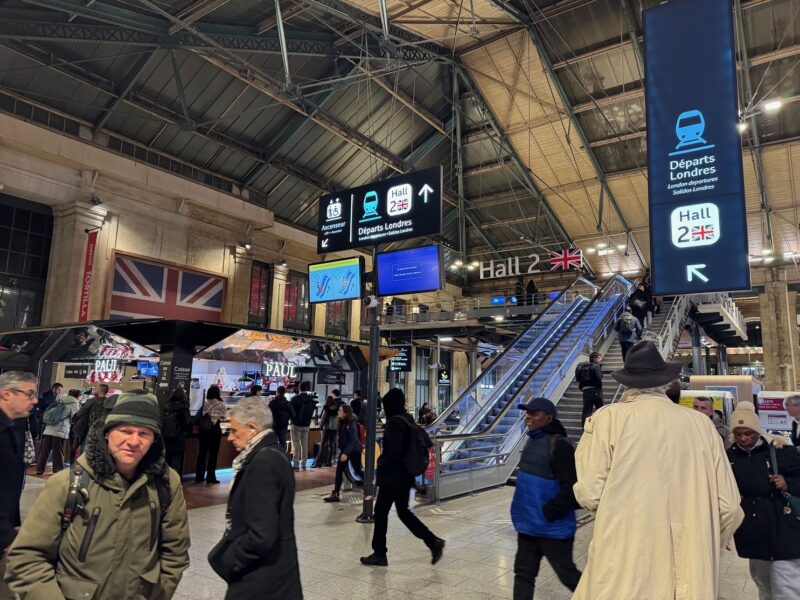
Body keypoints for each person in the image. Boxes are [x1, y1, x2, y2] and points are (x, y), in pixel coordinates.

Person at [572, 341, 743, 599]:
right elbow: (729, 506)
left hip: (626, 563)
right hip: (691, 572)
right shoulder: (702, 425)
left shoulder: (607, 419)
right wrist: (706, 538)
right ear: (666, 381)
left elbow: (589, 493)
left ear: (629, 381)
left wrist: (621, 514)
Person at [6, 392, 190, 599]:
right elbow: (28, 557)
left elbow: (175, 553)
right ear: (107, 433)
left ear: (155, 440)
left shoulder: (166, 483)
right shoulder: (67, 483)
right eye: (125, 431)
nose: (133, 441)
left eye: (144, 433)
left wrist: (157, 594)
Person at [208, 397, 302, 600]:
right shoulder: (275, 453)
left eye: (234, 430)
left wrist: (230, 560)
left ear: (252, 428)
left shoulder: (263, 462)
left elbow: (261, 535)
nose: (231, 438)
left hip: (261, 580)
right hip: (277, 575)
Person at [360, 388, 444, 567]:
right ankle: (432, 541)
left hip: (393, 476)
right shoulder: (408, 419)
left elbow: (395, 451)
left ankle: (379, 553)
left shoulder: (394, 423)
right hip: (405, 476)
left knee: (381, 512)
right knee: (403, 512)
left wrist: (381, 461)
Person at [727, 401, 800, 599]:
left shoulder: (780, 450)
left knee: (786, 585)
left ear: (757, 431)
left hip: (782, 526)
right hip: (753, 529)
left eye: (748, 433)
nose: (743, 438)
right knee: (763, 583)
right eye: (739, 433)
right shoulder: (729, 457)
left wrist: (788, 484)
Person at [511, 397, 581, 599]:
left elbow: (572, 487)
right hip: (528, 526)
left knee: (567, 574)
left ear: (548, 418)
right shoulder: (532, 440)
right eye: (527, 413)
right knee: (523, 575)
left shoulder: (559, 446)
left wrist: (549, 512)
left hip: (553, 529)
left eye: (534, 413)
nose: (528, 417)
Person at [0, 372, 37, 600]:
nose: (34, 400)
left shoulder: (12, 426)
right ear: (6, 393)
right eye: (29, 394)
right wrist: (6, 538)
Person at [36, 388, 80, 475]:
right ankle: (58, 472)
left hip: (48, 429)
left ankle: (39, 469)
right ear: (78, 396)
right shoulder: (74, 404)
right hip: (60, 431)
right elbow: (74, 418)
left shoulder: (60, 399)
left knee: (44, 452)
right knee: (58, 453)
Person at [324, 404, 363, 502]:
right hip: (347, 449)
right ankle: (336, 494)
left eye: (340, 410)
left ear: (345, 413)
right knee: (340, 470)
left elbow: (353, 440)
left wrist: (345, 453)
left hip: (353, 450)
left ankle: (370, 485)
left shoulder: (351, 423)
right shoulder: (342, 422)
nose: (338, 412)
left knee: (357, 470)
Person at [69, 383, 109, 459]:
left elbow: (80, 413)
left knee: (84, 448)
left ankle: (83, 466)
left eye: (96, 389)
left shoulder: (92, 401)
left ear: (100, 391)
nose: (95, 390)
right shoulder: (108, 402)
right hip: (103, 430)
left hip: (91, 428)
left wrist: (74, 419)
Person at [196, 385, 226, 484]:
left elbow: (201, 414)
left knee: (202, 453)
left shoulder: (205, 403)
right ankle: (210, 477)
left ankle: (199, 476)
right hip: (215, 430)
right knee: (213, 454)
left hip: (204, 430)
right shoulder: (221, 404)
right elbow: (223, 417)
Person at [163, 388, 191, 476]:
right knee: (176, 463)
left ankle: (164, 483)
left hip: (166, 439)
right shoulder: (184, 408)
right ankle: (175, 484)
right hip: (178, 439)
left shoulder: (167, 406)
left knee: (165, 462)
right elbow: (187, 423)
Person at [290, 382, 317, 471]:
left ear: (299, 388)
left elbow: (291, 411)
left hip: (296, 424)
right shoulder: (311, 399)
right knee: (304, 444)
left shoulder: (294, 398)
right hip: (307, 424)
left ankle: (296, 464)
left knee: (296, 444)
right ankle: (304, 463)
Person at [576, 352, 603, 426]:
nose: (601, 359)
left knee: (587, 410)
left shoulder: (584, 366)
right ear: (595, 358)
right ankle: (601, 425)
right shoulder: (596, 366)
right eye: (599, 358)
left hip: (585, 390)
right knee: (600, 409)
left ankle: (585, 427)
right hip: (595, 390)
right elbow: (599, 377)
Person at [268, 386, 295, 452]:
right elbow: (293, 415)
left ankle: (272, 460)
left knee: (273, 444)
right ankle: (282, 460)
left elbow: (267, 415)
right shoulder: (288, 403)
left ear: (277, 392)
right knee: (283, 445)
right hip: (283, 427)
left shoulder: (272, 403)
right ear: (284, 393)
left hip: (273, 427)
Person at [315, 395, 338, 467]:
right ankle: (328, 462)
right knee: (330, 445)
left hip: (327, 428)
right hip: (334, 429)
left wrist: (320, 425)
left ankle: (319, 462)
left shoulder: (326, 408)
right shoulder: (336, 408)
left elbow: (323, 418)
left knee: (322, 445)